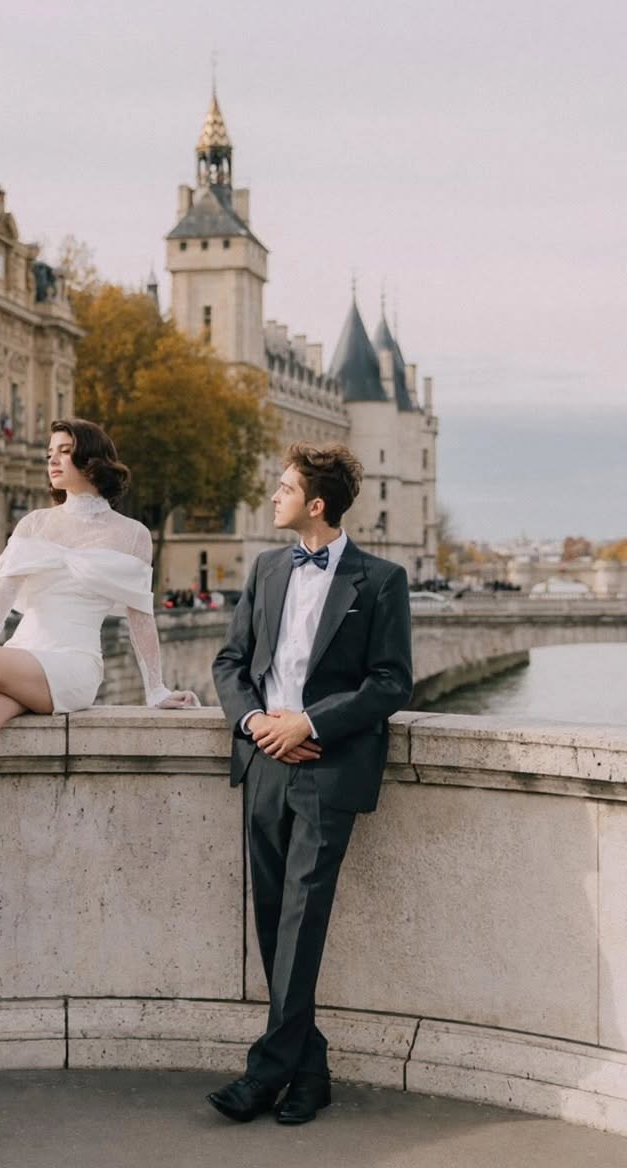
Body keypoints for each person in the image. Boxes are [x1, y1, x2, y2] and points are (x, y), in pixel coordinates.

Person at [0, 418, 199, 928]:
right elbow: (4, 592)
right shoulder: (33, 524)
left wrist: (155, 688)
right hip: (25, 653)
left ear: (90, 461)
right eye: (50, 451)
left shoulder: (131, 534)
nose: (52, 459)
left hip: (72, 663)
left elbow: (141, 616)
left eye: (63, 451)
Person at [207, 442, 412, 1126]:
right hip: (264, 762)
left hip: (328, 767)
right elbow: (231, 663)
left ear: (315, 504)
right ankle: (311, 1071)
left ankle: (264, 1073)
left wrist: (308, 724)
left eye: (284, 488)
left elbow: (390, 681)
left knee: (301, 917)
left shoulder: (380, 580)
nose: (273, 496)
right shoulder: (266, 568)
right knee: (272, 918)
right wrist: (258, 722)